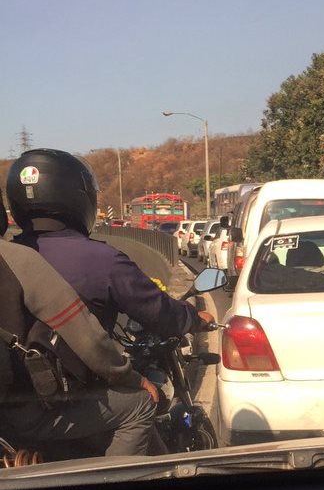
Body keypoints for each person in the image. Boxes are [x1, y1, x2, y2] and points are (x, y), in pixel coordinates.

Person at [6, 148, 214, 338]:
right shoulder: (102, 260)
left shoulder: (8, 255)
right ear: (79, 197)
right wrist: (193, 318)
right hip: (86, 376)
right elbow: (158, 312)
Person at [0, 214, 158, 458]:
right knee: (140, 405)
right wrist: (130, 377)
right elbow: (88, 340)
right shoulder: (16, 259)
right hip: (17, 413)